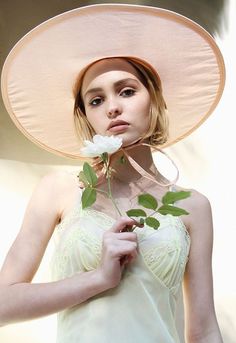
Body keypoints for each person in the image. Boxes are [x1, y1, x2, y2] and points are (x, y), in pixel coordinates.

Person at [0, 4, 225, 343]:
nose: (112, 107)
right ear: (87, 116)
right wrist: (97, 279)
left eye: (127, 91)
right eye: (95, 100)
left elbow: (204, 330)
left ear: (155, 99)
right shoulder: (59, 191)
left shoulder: (193, 206)